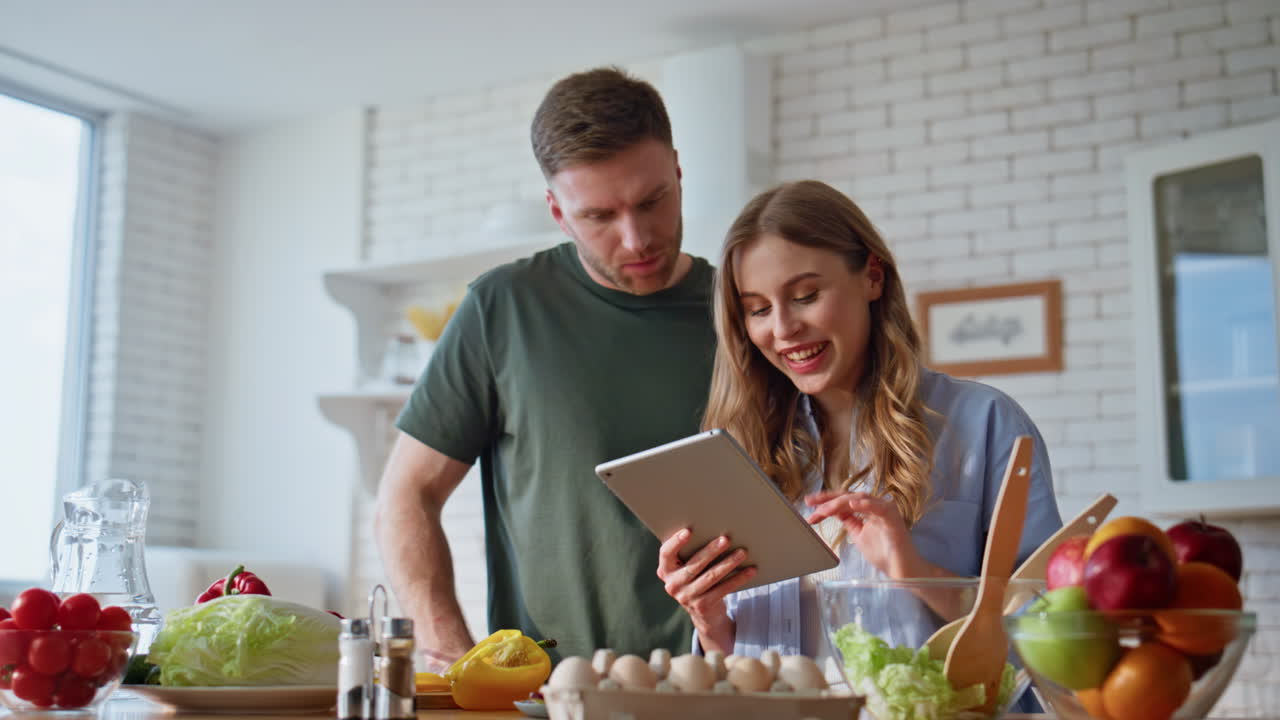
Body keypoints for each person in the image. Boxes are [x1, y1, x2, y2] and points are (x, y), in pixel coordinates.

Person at [375, 66, 717, 665]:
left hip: (730, 686)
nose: (636, 239)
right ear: (557, 211)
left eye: (652, 201)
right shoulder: (502, 308)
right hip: (547, 693)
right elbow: (407, 494)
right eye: (600, 217)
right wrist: (456, 661)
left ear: (679, 174)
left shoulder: (745, 311)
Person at [656, 180, 1062, 678]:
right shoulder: (737, 450)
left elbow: (1052, 641)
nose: (782, 329)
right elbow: (737, 666)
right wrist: (710, 622)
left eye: (805, 296)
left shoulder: (985, 425)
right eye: (758, 309)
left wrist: (916, 574)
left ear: (872, 277)